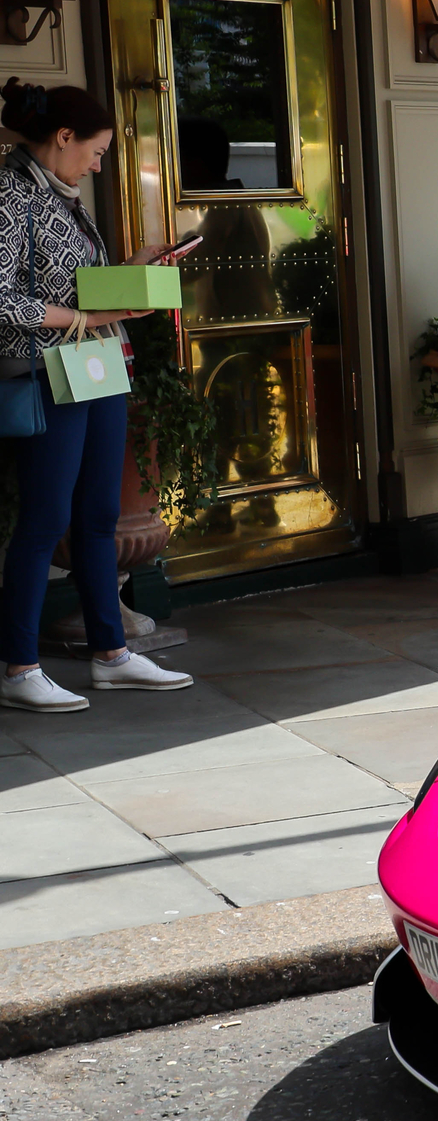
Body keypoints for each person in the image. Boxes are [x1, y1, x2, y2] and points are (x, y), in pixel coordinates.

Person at [0, 79, 195, 714]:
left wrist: (136, 266)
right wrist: (88, 316)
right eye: (97, 149)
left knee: (97, 519)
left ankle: (110, 655)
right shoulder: (10, 193)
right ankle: (18, 665)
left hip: (95, 365)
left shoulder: (64, 196)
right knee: (45, 519)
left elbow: (79, 284)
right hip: (50, 370)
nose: (100, 161)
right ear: (62, 138)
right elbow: (6, 302)